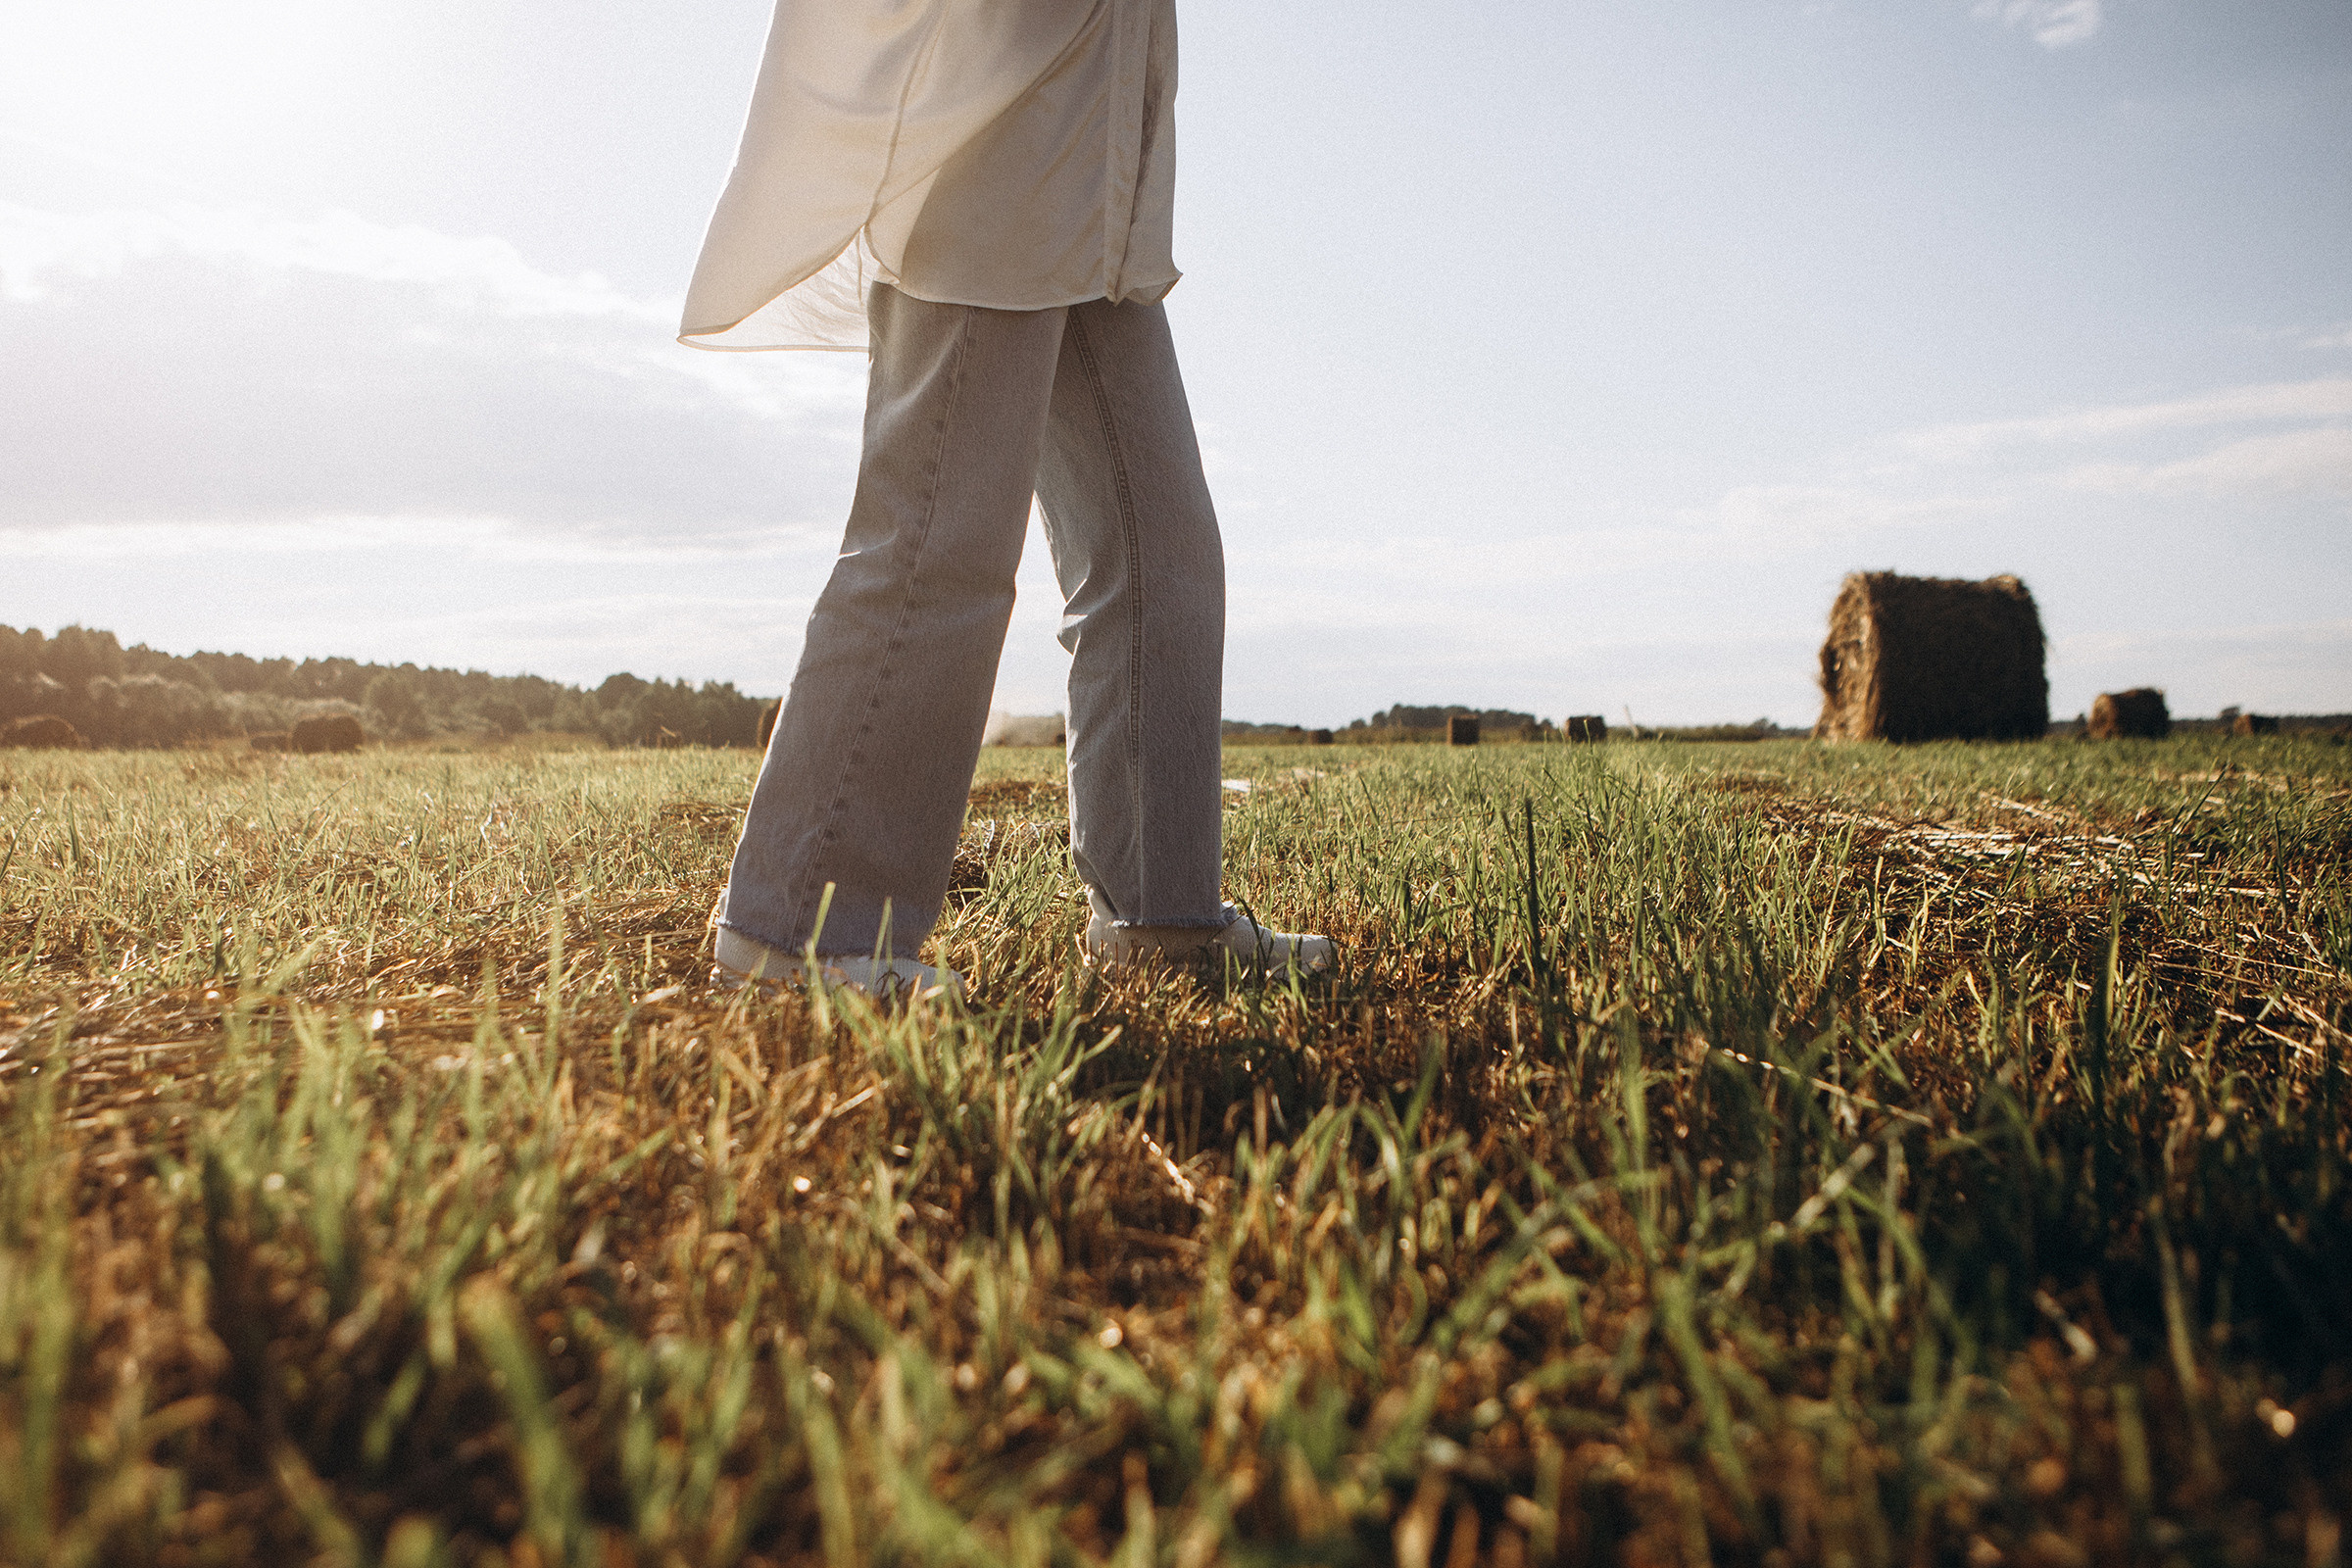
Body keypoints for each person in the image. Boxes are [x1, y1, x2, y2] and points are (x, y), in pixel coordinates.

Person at [680, 0, 1333, 999]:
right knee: (940, 539)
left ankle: (1160, 917)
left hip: (1103, 179)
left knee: (1163, 561)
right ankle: (799, 929)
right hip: (992, 154)